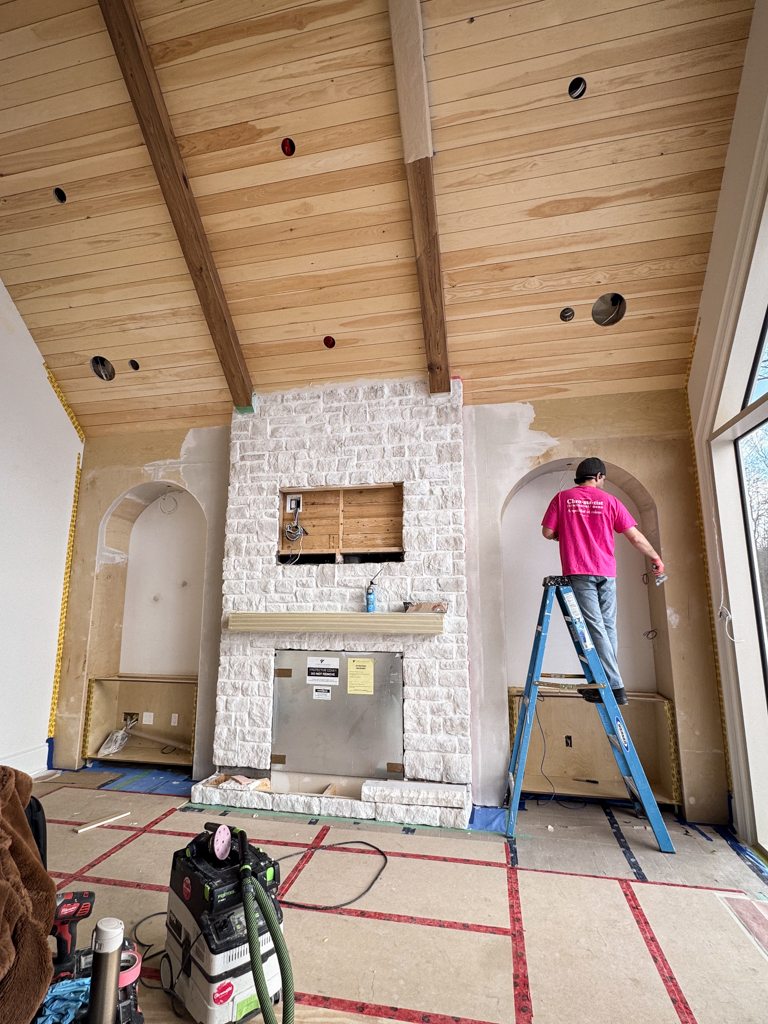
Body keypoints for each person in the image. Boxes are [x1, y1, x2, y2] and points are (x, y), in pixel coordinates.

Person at [540, 457, 664, 706]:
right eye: (603, 479)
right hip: (606, 572)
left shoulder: (562, 499)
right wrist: (655, 557)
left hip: (579, 569)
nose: (603, 482)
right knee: (607, 628)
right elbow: (635, 537)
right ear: (598, 476)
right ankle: (609, 683)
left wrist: (564, 533)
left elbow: (547, 532)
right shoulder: (611, 502)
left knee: (595, 628)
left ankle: (614, 687)